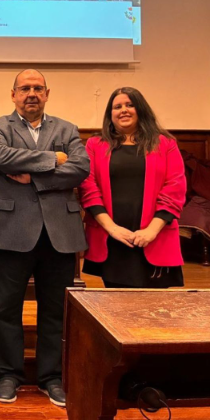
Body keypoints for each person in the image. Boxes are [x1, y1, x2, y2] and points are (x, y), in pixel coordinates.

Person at [0, 69, 89, 408]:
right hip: (11, 230)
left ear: (47, 93)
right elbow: (1, 157)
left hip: (60, 233)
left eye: (38, 88)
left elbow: (81, 168)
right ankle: (7, 374)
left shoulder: (67, 129)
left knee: (55, 309)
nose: (31, 93)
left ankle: (51, 376)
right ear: (13, 94)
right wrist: (53, 160)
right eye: (25, 88)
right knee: (6, 308)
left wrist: (35, 177)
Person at [79, 87, 187, 288]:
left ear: (141, 109)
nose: (124, 110)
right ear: (110, 114)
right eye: (117, 106)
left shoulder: (165, 143)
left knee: (157, 304)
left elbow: (175, 187)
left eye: (130, 105)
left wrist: (151, 231)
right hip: (113, 238)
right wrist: (112, 229)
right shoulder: (95, 144)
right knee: (116, 302)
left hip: (154, 237)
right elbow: (88, 187)